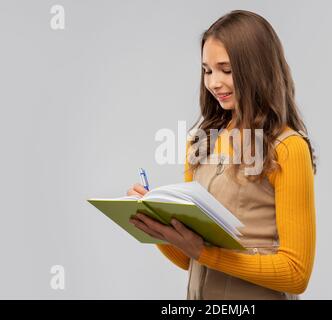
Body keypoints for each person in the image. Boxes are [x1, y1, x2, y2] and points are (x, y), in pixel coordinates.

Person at [127, 10, 317, 300]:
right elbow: (192, 261)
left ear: (256, 69)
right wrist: (159, 229)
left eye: (226, 70)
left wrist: (206, 253)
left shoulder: (288, 148)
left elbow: (296, 273)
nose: (214, 82)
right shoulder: (200, 143)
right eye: (207, 70)